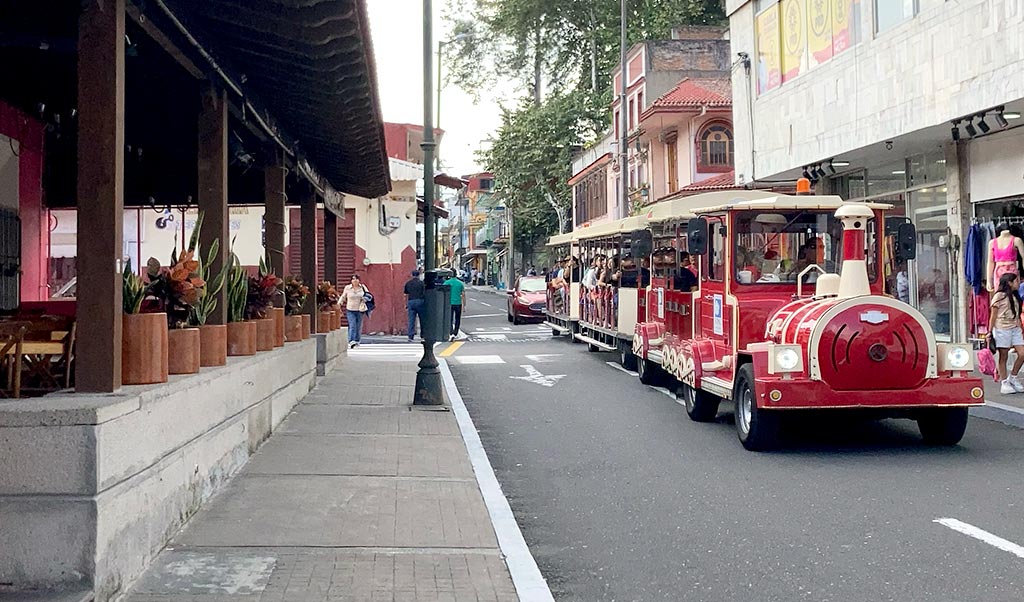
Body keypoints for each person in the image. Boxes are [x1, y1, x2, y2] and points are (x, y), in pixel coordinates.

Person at [989, 272, 1024, 395]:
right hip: (1002, 328)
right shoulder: (999, 296)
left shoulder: (1015, 296)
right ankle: (1004, 382)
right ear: (1009, 283)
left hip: (1015, 327)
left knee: (1022, 353)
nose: (1018, 283)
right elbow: (993, 316)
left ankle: (1013, 377)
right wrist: (989, 332)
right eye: (1016, 281)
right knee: (1003, 356)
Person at [341, 274, 369, 348]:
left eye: (356, 279)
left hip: (360, 309)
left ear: (359, 280)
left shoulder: (362, 287)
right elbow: (343, 296)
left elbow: (369, 295)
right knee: (352, 325)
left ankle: (357, 340)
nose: (355, 280)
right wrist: (339, 303)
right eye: (353, 279)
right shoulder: (347, 288)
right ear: (351, 281)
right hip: (350, 309)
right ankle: (351, 341)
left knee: (358, 326)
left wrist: (365, 299)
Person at [443, 272, 466, 341]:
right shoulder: (460, 283)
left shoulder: (446, 283)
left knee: (449, 318)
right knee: (457, 318)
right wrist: (464, 305)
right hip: (458, 303)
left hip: (449, 303)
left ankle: (450, 332)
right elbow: (463, 295)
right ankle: (455, 333)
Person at [404, 270, 425, 342]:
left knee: (411, 320)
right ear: (419, 275)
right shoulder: (421, 283)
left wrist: (406, 304)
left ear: (412, 275)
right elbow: (424, 293)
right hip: (420, 301)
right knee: (422, 319)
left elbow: (406, 294)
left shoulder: (408, 283)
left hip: (411, 301)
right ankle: (423, 335)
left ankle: (410, 336)